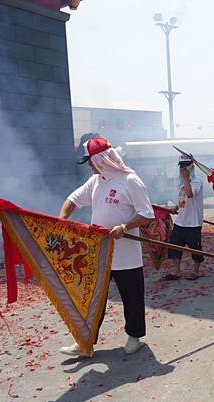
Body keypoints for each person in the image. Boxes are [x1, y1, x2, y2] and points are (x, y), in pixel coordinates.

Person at [58, 136, 154, 356]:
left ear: (102, 159)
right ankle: (85, 340)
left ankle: (134, 336)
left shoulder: (130, 180)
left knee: (132, 297)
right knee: (92, 298)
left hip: (126, 255)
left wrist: (124, 226)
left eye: (91, 161)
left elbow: (146, 214)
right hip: (99, 253)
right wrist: (62, 220)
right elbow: (73, 199)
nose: (90, 166)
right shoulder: (96, 181)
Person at [163, 155, 205, 280]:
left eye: (185, 166)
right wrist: (176, 208)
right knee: (175, 246)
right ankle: (177, 271)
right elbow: (184, 199)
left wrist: (186, 179)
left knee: (195, 248)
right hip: (181, 221)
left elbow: (190, 194)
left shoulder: (197, 181)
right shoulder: (181, 182)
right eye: (181, 166)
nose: (182, 169)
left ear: (191, 166)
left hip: (193, 222)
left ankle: (195, 271)